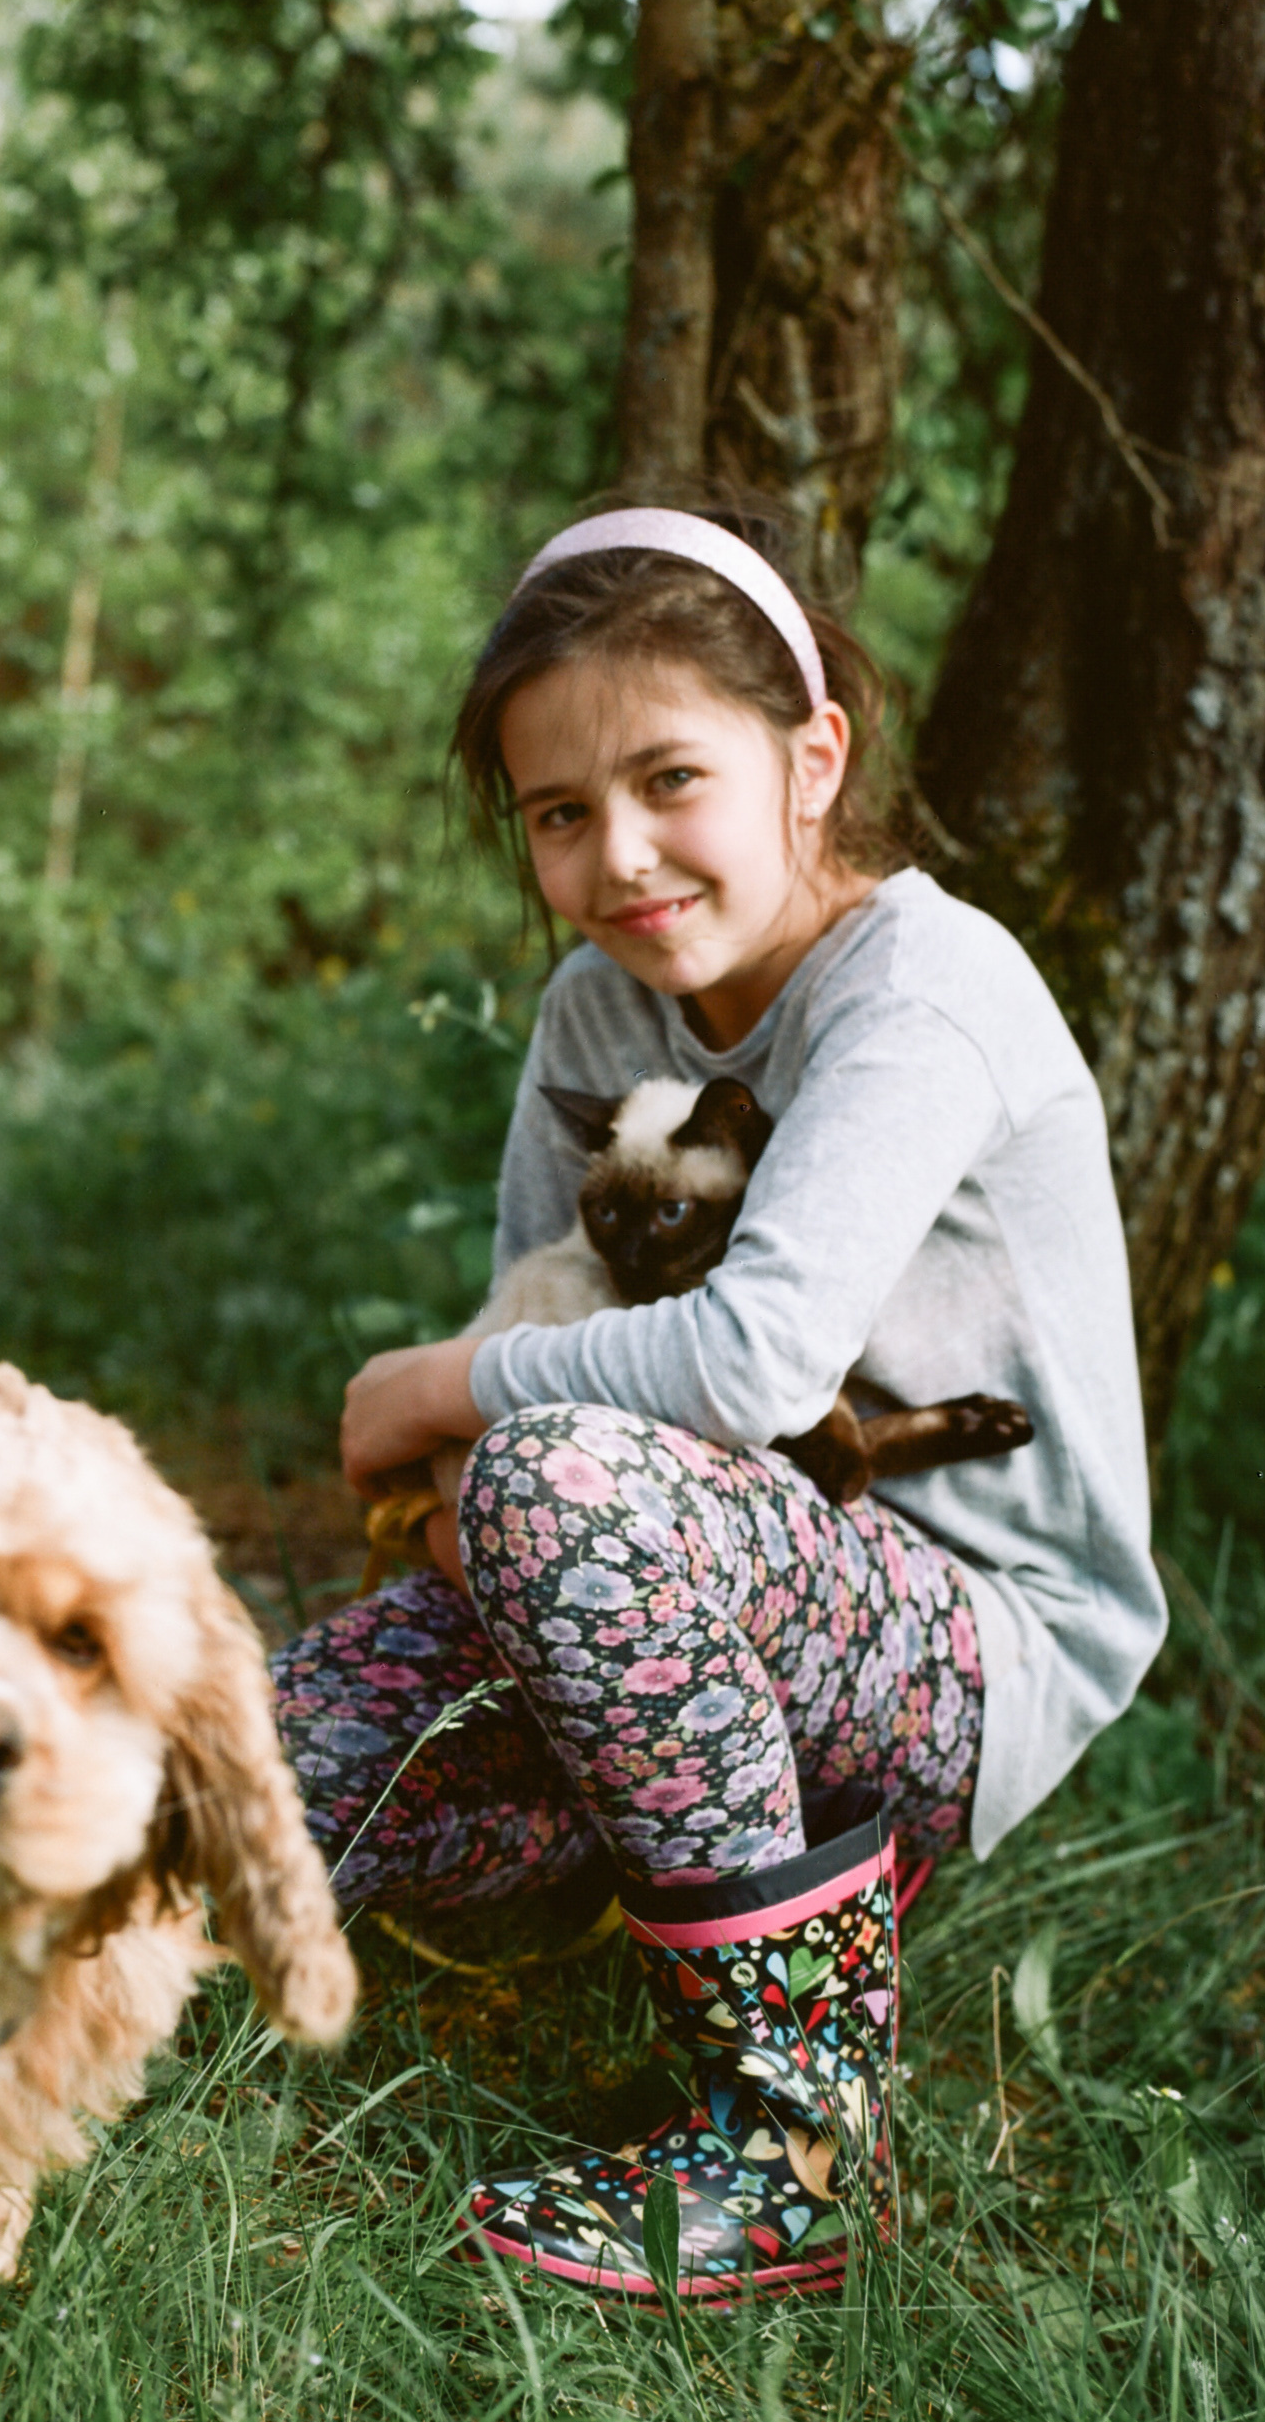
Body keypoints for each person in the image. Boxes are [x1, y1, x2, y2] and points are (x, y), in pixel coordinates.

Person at [272, 505, 1165, 2299]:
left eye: (670, 778)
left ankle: (791, 2137)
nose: (620, 855)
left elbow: (744, 1367)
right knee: (241, 1777)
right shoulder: (599, 1017)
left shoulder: (921, 997)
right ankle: (651, 1858)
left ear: (809, 754)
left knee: (549, 1484)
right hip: (652, 1582)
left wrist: (431, 1390)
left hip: (952, 1628)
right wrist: (464, 1446)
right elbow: (547, 1334)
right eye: (555, 813)